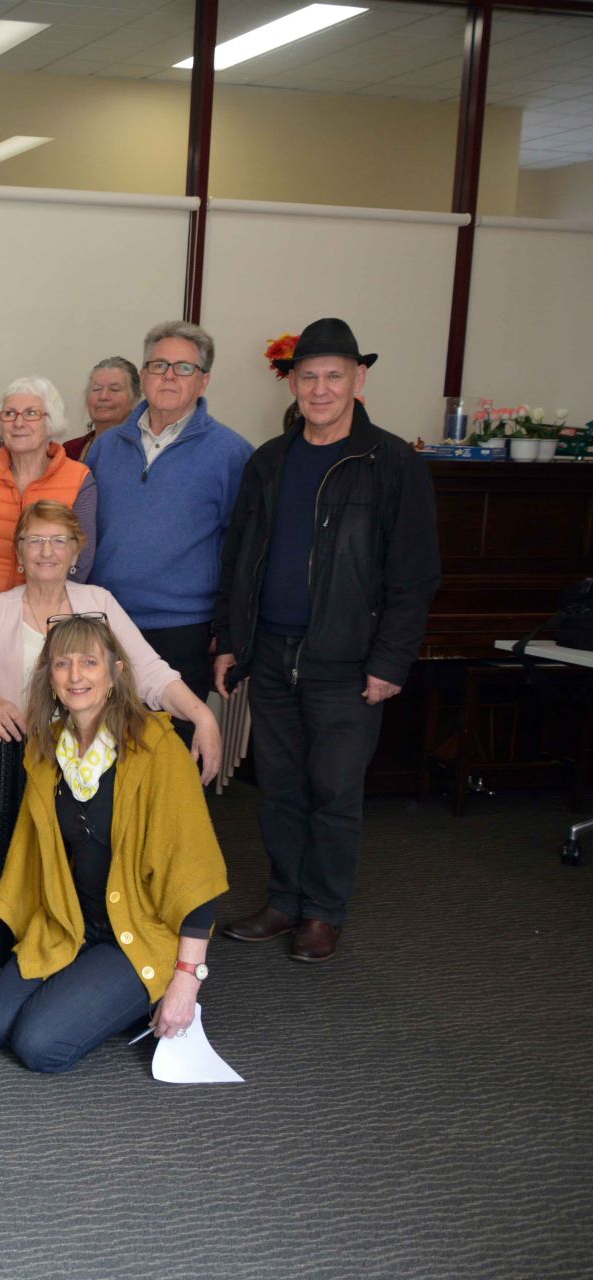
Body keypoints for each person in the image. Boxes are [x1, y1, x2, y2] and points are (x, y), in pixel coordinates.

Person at [214, 317, 440, 963]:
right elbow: (240, 559)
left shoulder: (391, 463)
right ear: (292, 382)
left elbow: (415, 574)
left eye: (332, 376)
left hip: (346, 662)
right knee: (279, 788)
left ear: (358, 379)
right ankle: (284, 901)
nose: (319, 389)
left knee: (334, 791)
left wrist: (391, 660)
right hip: (273, 651)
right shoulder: (270, 460)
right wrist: (231, 639)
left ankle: (323, 911)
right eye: (307, 376)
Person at [0, 616, 229, 1074]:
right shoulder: (48, 749)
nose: (76, 676)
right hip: (74, 924)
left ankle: (139, 991)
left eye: (90, 662)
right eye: (62, 664)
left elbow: (193, 869)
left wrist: (187, 981)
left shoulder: (156, 746)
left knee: (38, 1045)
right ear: (48, 678)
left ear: (115, 672)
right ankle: (89, 990)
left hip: (134, 932)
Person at [0, 501, 220, 787]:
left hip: (96, 760)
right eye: (35, 540)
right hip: (18, 760)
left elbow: (150, 674)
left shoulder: (100, 602)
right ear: (19, 551)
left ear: (75, 553)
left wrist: (203, 716)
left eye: (59, 541)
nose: (47, 551)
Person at [85, 322, 252, 711]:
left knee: (169, 753)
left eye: (184, 368)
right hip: (104, 623)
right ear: (143, 375)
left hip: (182, 629)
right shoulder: (106, 447)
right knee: (101, 750)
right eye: (158, 365)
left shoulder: (232, 454)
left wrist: (223, 632)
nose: (169, 376)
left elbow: (240, 553)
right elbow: (83, 532)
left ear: (204, 380)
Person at [0, 376, 97, 626]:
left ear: (50, 421)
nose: (19, 423)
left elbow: (82, 559)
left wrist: (51, 609)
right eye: (10, 414)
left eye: (31, 413)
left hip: (49, 622)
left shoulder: (79, 479)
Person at [65, 356, 140, 462]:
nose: (103, 396)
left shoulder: (143, 450)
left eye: (114, 389)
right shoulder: (69, 451)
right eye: (96, 389)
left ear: (135, 398)